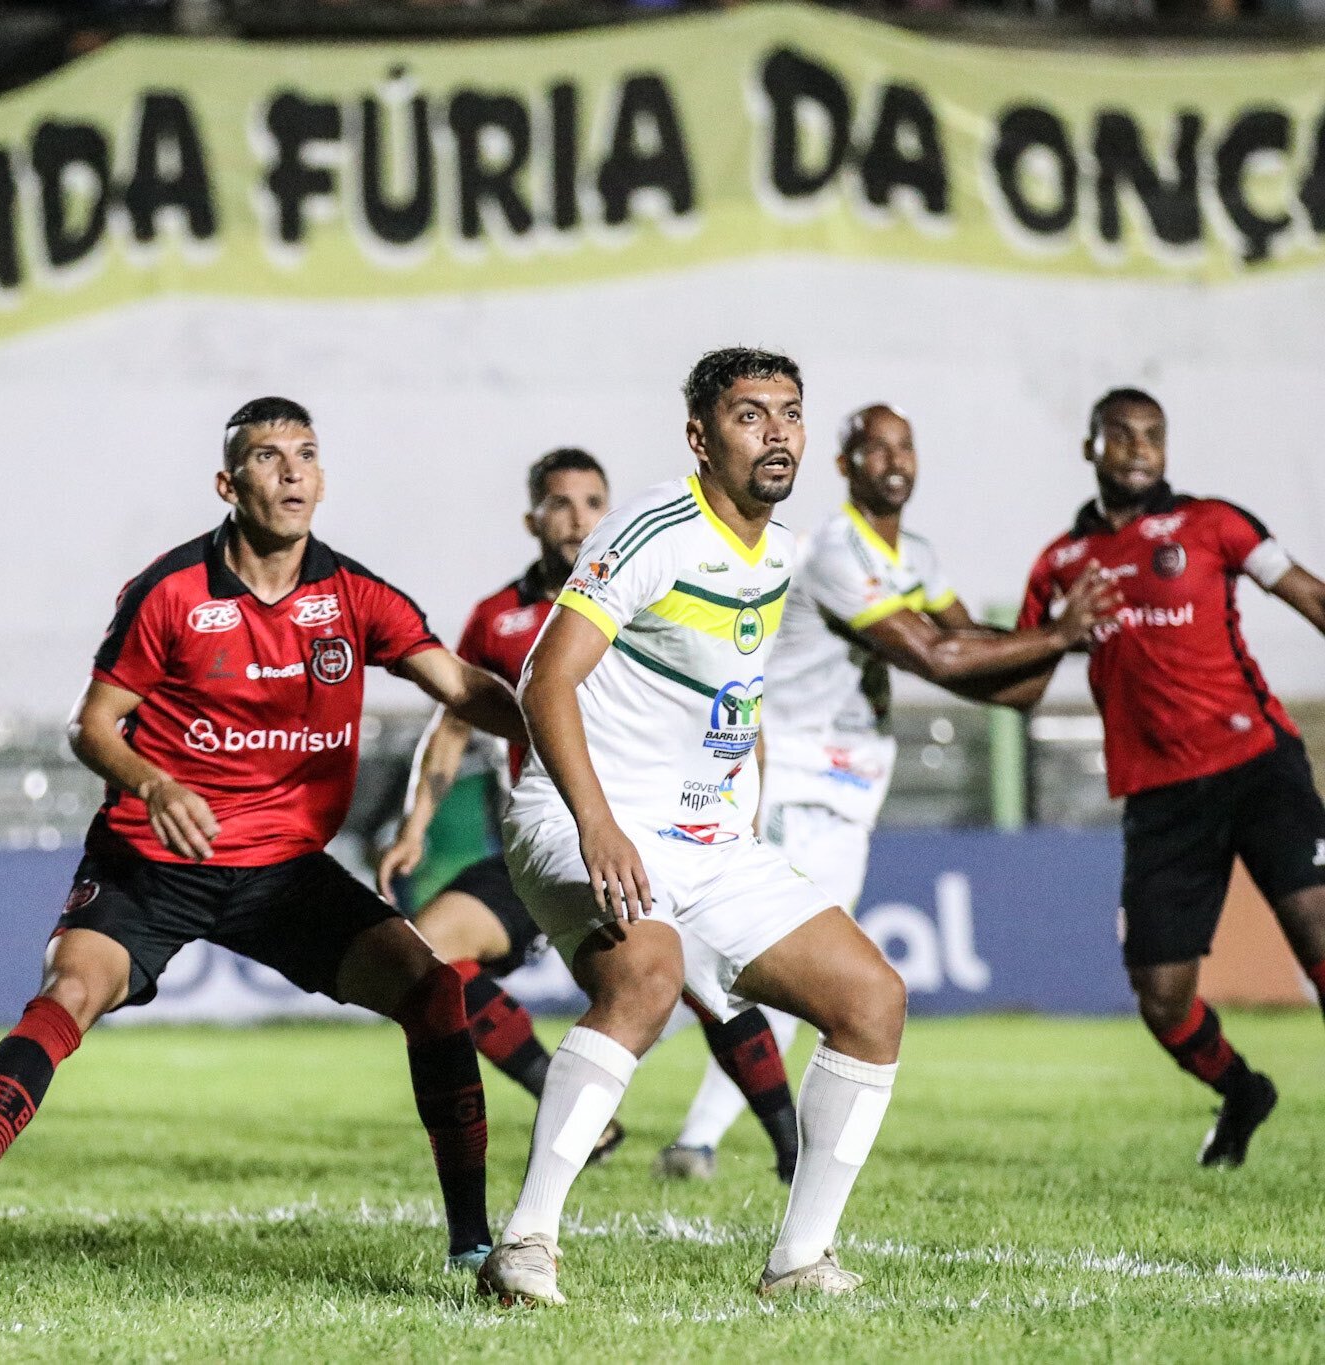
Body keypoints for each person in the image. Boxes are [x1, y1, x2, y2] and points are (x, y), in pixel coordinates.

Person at [0, 396, 528, 1283]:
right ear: (229, 483)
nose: (293, 471)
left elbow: (458, 683)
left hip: (284, 872)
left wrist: (553, 724)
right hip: (153, 861)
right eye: (269, 457)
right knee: (67, 993)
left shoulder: (355, 596)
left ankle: (470, 1244)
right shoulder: (171, 592)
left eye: (306, 453)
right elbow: (91, 726)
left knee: (432, 992)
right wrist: (153, 784)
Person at [480, 348, 908, 1306]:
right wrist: (596, 825)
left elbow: (732, 696)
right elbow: (544, 679)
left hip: (710, 840)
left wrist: (741, 808)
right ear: (700, 437)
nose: (777, 432)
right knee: (645, 976)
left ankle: (800, 1262)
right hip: (585, 812)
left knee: (872, 1000)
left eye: (790, 413)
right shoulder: (654, 528)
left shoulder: (783, 552)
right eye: (750, 414)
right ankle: (525, 1246)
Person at [654, 404, 1114, 1181]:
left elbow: (1003, 677)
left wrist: (1072, 640)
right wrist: (1059, 635)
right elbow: (936, 655)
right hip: (793, 777)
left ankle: (668, 1109)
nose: (895, 459)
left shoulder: (920, 556)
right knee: (765, 967)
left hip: (849, 795)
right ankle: (696, 1137)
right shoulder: (835, 548)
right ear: (845, 464)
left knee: (726, 966)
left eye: (907, 445)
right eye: (876, 447)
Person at [1013, 387, 1325, 1167]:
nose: (1141, 447)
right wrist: (1048, 634)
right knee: (1162, 999)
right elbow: (1019, 681)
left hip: (1258, 765)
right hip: (1158, 798)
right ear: (1091, 446)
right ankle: (1243, 1090)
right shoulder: (1061, 564)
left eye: (1153, 434)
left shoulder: (1216, 523)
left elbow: (1310, 593)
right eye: (1122, 434)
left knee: (1320, 931)